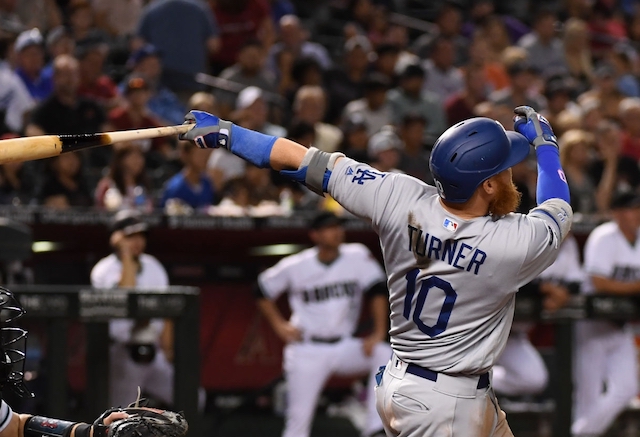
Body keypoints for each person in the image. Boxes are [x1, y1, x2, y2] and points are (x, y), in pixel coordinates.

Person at [180, 102, 572, 436]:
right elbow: (557, 208)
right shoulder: (512, 242)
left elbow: (298, 159)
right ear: (486, 187)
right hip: (444, 404)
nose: (511, 174)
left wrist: (227, 133)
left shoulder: (397, 195)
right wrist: (546, 147)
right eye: (503, 169)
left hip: (418, 385)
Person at [256, 211, 391, 437]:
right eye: (329, 228)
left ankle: (374, 428)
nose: (337, 232)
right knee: (297, 425)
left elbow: (377, 289)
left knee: (384, 353)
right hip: (307, 349)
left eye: (338, 226)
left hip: (344, 346)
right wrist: (279, 325)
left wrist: (379, 331)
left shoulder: (356, 255)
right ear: (315, 235)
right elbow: (261, 290)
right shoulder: (296, 264)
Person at [572, 191, 640, 436]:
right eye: (631, 209)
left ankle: (579, 433)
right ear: (617, 213)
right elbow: (599, 282)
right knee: (587, 395)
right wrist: (635, 288)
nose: (636, 214)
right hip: (592, 324)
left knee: (627, 388)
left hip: (620, 325)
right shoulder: (604, 237)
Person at [90, 210, 174, 409]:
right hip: (122, 352)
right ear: (116, 238)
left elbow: (169, 309)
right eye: (130, 236)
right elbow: (125, 297)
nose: (137, 241)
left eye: (140, 236)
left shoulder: (154, 266)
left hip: (154, 352)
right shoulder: (104, 270)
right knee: (122, 415)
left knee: (193, 398)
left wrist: (168, 349)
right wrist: (126, 255)